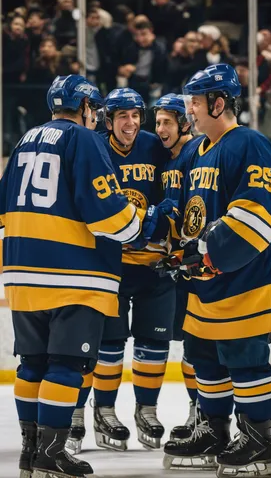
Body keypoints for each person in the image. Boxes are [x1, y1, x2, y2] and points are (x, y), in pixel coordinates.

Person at [0, 75, 145, 478]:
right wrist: (139, 226)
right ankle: (51, 455)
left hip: (22, 273)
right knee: (66, 365)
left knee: (32, 363)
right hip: (73, 274)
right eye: (94, 110)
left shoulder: (25, 139)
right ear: (84, 108)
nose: (96, 116)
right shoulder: (83, 140)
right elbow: (107, 213)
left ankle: (30, 455)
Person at [151, 64, 271, 476]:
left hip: (245, 276)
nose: (189, 109)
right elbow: (187, 212)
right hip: (205, 282)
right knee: (202, 355)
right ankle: (214, 430)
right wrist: (174, 243)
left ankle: (259, 440)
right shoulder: (194, 151)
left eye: (195, 101)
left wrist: (209, 250)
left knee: (243, 358)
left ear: (220, 102)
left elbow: (257, 215)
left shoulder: (249, 144)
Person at [67, 88, 177, 454]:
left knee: (154, 343)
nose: (130, 124)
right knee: (107, 345)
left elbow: (173, 185)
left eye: (135, 116)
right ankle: (103, 411)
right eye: (122, 117)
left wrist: (165, 216)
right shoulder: (93, 147)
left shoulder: (155, 147)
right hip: (109, 267)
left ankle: (147, 409)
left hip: (154, 265)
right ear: (108, 120)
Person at [153, 93, 200, 439]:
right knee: (190, 344)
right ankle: (199, 409)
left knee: (203, 344)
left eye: (167, 121)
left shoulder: (198, 153)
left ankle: (210, 413)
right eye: (157, 122)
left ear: (184, 122)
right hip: (180, 266)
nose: (160, 129)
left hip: (202, 263)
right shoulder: (166, 160)